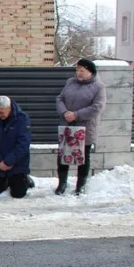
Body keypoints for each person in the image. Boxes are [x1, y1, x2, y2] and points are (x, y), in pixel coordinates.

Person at [55, 58, 106, 195]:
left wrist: (76, 115)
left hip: (85, 127)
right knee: (63, 155)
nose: (78, 73)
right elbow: (60, 99)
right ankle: (62, 183)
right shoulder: (70, 82)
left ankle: (81, 185)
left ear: (90, 72)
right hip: (67, 124)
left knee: (84, 156)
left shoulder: (99, 87)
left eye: (82, 70)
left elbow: (97, 107)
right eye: (77, 70)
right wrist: (65, 112)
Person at [0, 95, 33, 199]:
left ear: (9, 108)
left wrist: (9, 161)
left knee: (18, 194)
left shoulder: (22, 119)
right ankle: (5, 181)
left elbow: (23, 144)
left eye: (1, 112)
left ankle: (25, 180)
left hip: (17, 164)